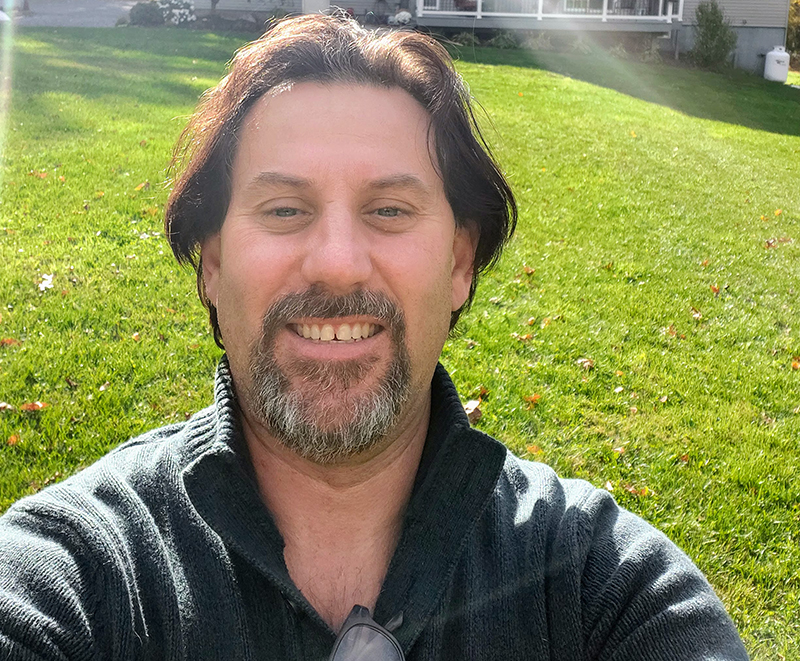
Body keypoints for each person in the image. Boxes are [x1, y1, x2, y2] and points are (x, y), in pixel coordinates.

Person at [0, 13, 749, 661]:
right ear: (214, 265)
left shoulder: (602, 584)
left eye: (389, 210)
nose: (335, 262)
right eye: (285, 209)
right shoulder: (84, 573)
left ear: (459, 263)